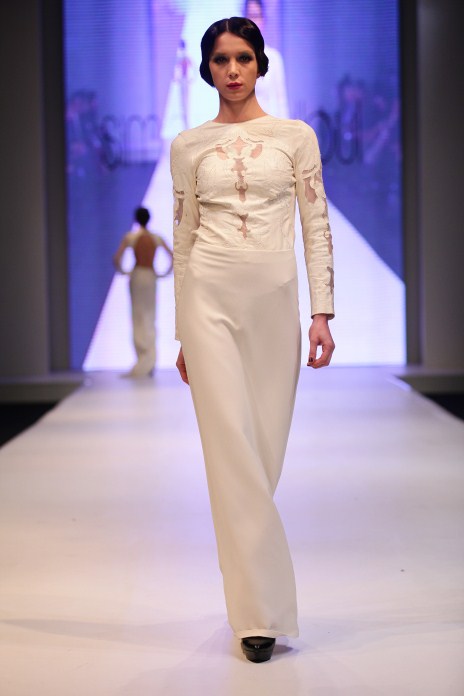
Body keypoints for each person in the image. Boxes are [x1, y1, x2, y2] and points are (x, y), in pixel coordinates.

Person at [170, 17, 335, 663]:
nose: (233, 70)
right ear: (207, 68)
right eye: (221, 59)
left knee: (262, 453)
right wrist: (183, 331)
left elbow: (316, 224)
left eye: (243, 57)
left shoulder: (295, 137)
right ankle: (257, 619)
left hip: (274, 304)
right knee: (229, 453)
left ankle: (255, 596)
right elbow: (183, 238)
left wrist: (322, 313)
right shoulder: (188, 145)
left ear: (261, 64)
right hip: (208, 300)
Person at [113, 206, 173, 377]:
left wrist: (123, 271)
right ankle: (149, 362)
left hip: (138, 275)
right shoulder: (156, 238)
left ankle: (142, 360)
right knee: (150, 316)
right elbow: (173, 257)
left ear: (136, 219)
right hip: (150, 276)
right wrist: (164, 274)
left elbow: (117, 259)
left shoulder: (131, 237)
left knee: (138, 316)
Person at [243, 0, 290, 118]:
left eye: (256, 16)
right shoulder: (236, 58)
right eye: (249, 16)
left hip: (268, 124)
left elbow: (281, 101)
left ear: (263, 20)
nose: (253, 22)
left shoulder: (274, 58)